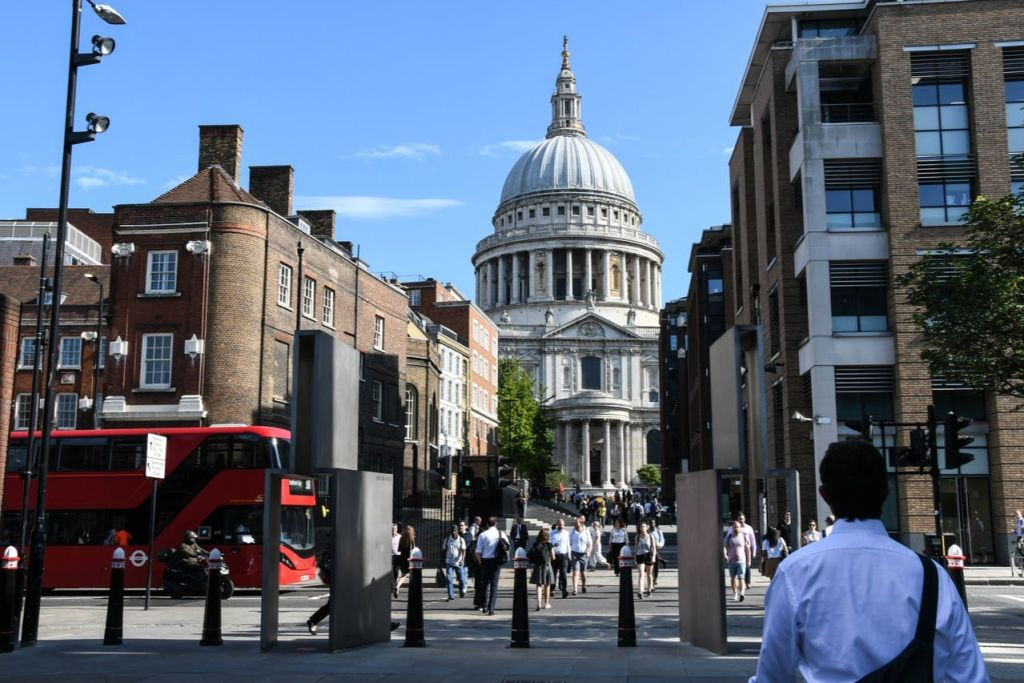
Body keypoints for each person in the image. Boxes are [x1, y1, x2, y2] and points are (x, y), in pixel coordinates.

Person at [751, 439, 986, 681]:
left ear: (824, 495)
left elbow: (772, 674)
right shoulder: (932, 575)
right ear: (886, 490)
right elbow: (969, 674)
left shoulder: (795, 571)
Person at [474, 516, 504, 615]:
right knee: (494, 585)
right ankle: (491, 609)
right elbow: (507, 548)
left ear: (487, 524)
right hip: (496, 561)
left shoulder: (483, 535)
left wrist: (480, 562)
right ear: (496, 524)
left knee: (484, 584)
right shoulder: (501, 534)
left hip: (485, 561)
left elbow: (478, 551)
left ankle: (484, 606)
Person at [723, 512, 757, 590]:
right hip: (735, 550)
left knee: (747, 567)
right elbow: (728, 539)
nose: (740, 520)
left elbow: (753, 541)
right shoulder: (732, 528)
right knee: (737, 568)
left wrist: (754, 552)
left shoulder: (749, 528)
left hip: (746, 549)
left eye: (742, 519)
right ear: (737, 520)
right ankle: (739, 583)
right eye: (739, 519)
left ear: (744, 519)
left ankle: (747, 582)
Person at [724, 519, 751, 602]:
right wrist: (725, 555)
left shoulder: (743, 536)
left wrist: (749, 560)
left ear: (740, 528)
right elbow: (724, 546)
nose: (737, 528)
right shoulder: (729, 536)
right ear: (732, 527)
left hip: (741, 561)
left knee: (741, 578)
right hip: (731, 561)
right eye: (735, 527)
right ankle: (735, 593)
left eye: (738, 527)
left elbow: (747, 549)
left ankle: (742, 593)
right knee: (733, 578)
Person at [529, 528, 555, 610]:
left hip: (537, 566)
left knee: (539, 585)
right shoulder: (549, 545)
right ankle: (546, 603)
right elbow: (553, 557)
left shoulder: (535, 544)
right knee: (547, 585)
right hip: (547, 565)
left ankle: (538, 604)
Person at [442, 524, 467, 602]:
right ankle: (451, 596)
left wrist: (462, 560)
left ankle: (461, 591)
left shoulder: (461, 540)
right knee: (449, 579)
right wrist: (442, 561)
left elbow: (464, 551)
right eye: (452, 530)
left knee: (462, 579)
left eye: (455, 530)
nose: (453, 532)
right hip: (449, 562)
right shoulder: (447, 540)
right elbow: (443, 550)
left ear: (457, 531)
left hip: (458, 562)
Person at [634, 521, 657, 599]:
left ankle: (649, 589)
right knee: (641, 573)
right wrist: (635, 556)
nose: (642, 528)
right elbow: (636, 547)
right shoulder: (637, 537)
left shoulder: (651, 536)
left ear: (647, 527)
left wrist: (653, 557)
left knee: (649, 574)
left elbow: (654, 548)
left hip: (648, 555)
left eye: (643, 526)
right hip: (640, 555)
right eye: (641, 527)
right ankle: (640, 591)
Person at [569, 517, 592, 595]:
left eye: (577, 523)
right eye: (575, 523)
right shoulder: (572, 531)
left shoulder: (586, 531)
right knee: (575, 572)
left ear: (581, 523)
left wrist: (588, 551)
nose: (575, 525)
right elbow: (569, 542)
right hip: (574, 553)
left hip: (584, 554)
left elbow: (590, 543)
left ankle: (583, 585)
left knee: (583, 573)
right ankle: (575, 589)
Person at [550, 518, 570, 599]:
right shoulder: (552, 533)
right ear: (557, 524)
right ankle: (552, 589)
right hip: (554, 556)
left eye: (562, 525)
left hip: (563, 556)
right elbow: (549, 544)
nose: (561, 526)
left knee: (563, 574)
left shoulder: (566, 533)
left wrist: (569, 556)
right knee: (553, 574)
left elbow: (568, 544)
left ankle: (564, 590)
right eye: (559, 524)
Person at [394, 525, 415, 598]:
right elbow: (413, 549)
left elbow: (398, 550)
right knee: (406, 575)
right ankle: (397, 586)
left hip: (402, 558)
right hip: (409, 559)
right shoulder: (411, 539)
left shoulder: (401, 538)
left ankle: (397, 587)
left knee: (403, 574)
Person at [649, 517, 666, 587]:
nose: (652, 524)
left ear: (655, 523)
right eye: (650, 523)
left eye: (653, 523)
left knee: (656, 564)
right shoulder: (647, 531)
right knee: (650, 564)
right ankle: (651, 577)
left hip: (656, 548)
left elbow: (662, 540)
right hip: (649, 549)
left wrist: (659, 545)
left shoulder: (658, 531)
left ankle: (655, 578)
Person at [391, 523, 402, 597]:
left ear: (397, 529)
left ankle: (395, 586)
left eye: (395, 529)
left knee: (395, 572)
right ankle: (394, 586)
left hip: (398, 556)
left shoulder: (400, 537)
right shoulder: (388, 536)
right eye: (392, 529)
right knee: (390, 572)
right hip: (390, 556)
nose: (393, 530)